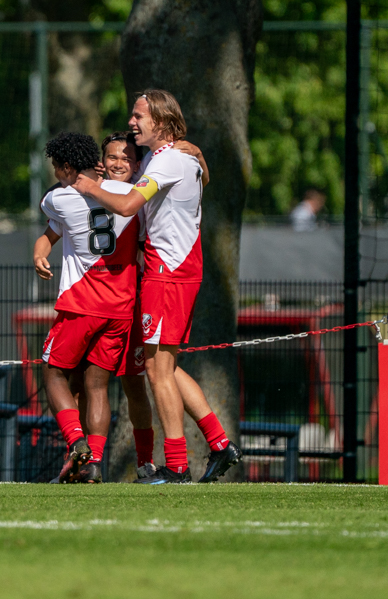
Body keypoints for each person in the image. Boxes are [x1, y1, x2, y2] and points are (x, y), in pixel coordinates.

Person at [72, 90, 242, 484]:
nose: (132, 122)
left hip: (169, 274)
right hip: (171, 272)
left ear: (161, 123)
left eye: (139, 116)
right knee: (165, 366)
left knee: (155, 369)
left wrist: (88, 186)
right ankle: (219, 445)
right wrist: (191, 149)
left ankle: (178, 466)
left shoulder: (168, 161)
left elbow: (130, 205)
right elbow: (200, 165)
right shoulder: (167, 156)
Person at [34, 132, 141, 484]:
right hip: (120, 307)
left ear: (66, 167)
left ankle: (75, 442)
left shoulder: (60, 198)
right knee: (97, 385)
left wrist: (74, 180)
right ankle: (93, 463)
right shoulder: (130, 193)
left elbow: (47, 202)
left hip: (83, 302)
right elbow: (52, 233)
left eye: (56, 167)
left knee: (53, 373)